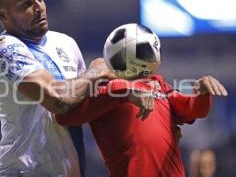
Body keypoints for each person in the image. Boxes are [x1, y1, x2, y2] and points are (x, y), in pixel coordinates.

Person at [0, 0, 117, 176]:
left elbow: (85, 102)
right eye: (27, 4)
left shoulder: (66, 43)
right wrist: (95, 72)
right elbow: (57, 100)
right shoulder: (4, 47)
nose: (39, 8)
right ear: (1, 13)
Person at [56, 73, 228, 175]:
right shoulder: (107, 88)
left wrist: (202, 93)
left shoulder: (158, 84)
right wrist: (125, 93)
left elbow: (193, 109)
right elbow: (65, 116)